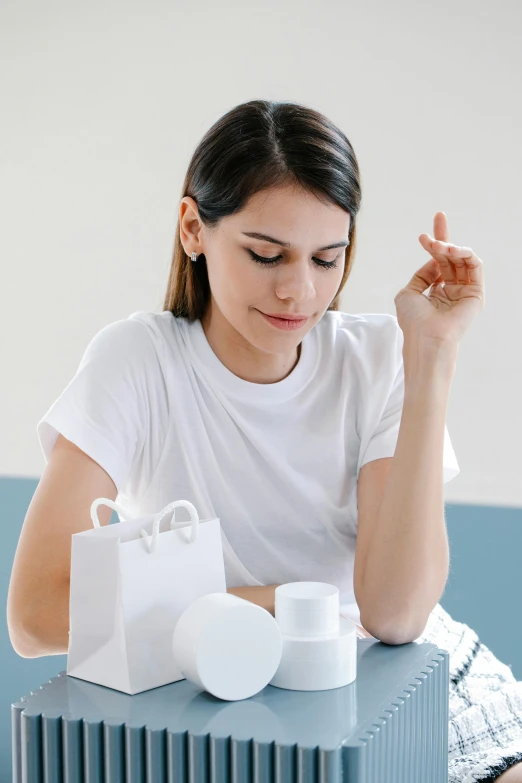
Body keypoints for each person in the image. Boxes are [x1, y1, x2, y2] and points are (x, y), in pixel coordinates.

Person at [7, 99, 522, 782]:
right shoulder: (137, 362)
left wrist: (429, 358)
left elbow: (395, 615)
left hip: (409, 685)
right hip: (229, 695)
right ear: (193, 227)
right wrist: (276, 602)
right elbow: (38, 613)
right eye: (265, 253)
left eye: (327, 257)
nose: (299, 290)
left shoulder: (375, 356)